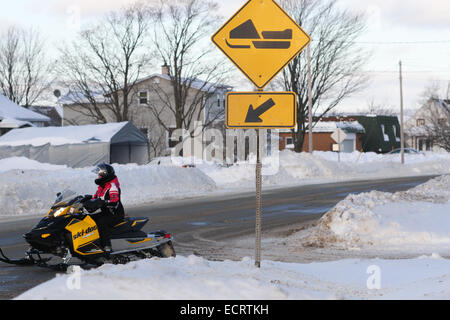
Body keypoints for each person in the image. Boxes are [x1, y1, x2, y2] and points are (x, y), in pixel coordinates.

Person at [83, 163, 125, 254]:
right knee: (87, 219)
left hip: (114, 214)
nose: (98, 177)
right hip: (106, 212)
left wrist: (103, 202)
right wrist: (86, 199)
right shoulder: (102, 186)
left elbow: (114, 201)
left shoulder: (112, 186)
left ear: (104, 175)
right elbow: (96, 198)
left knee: (101, 222)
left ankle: (107, 247)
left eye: (99, 175)